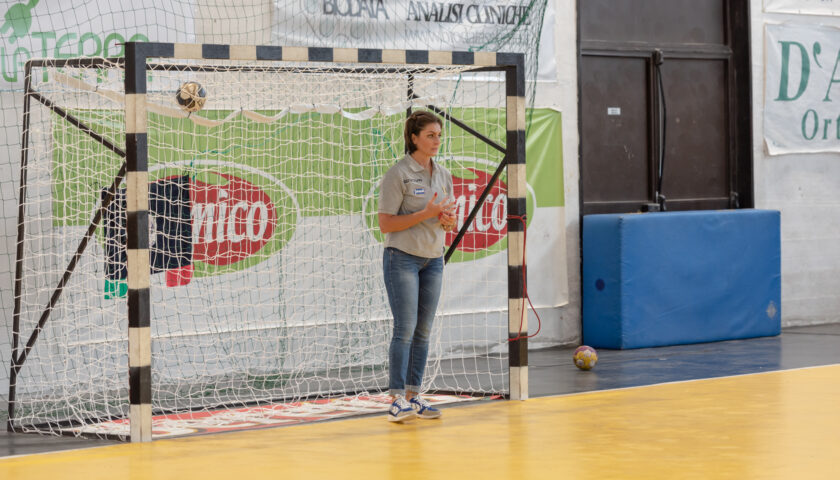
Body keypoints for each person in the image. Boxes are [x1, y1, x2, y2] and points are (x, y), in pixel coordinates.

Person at [378, 110, 457, 423]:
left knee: (424, 332)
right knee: (405, 329)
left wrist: (446, 220)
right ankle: (396, 399)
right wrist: (427, 213)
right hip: (402, 257)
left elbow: (447, 218)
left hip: (433, 259)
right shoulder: (398, 174)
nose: (437, 140)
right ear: (414, 138)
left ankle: (415, 395)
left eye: (439, 135)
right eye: (430, 135)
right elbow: (385, 223)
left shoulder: (444, 174)